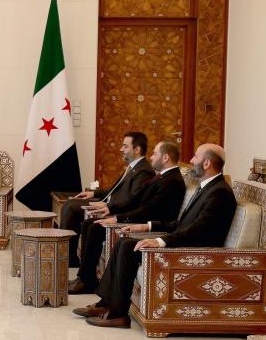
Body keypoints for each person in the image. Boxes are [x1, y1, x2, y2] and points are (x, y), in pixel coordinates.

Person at [74, 144, 236, 328]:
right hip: (184, 241)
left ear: (207, 163)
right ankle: (107, 305)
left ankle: (118, 314)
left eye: (195, 157)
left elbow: (198, 231)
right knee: (124, 242)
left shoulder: (220, 192)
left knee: (128, 246)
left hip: (195, 252)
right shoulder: (207, 187)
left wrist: (160, 241)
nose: (191, 160)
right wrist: (147, 226)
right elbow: (180, 224)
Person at [68, 141, 186, 294]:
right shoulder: (163, 176)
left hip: (150, 224)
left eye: (155, 154)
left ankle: (86, 281)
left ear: (165, 158)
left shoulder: (172, 180)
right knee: (90, 223)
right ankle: (85, 277)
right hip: (140, 217)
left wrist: (120, 218)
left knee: (95, 227)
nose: (151, 157)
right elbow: (135, 199)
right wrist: (112, 209)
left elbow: (149, 210)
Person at [59, 131, 155, 266]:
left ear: (137, 149)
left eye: (125, 146)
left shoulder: (144, 171)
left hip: (116, 209)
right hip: (108, 203)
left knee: (71, 208)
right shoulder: (134, 167)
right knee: (69, 204)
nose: (121, 149)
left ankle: (68, 258)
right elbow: (115, 189)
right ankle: (67, 256)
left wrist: (108, 206)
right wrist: (94, 194)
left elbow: (133, 198)